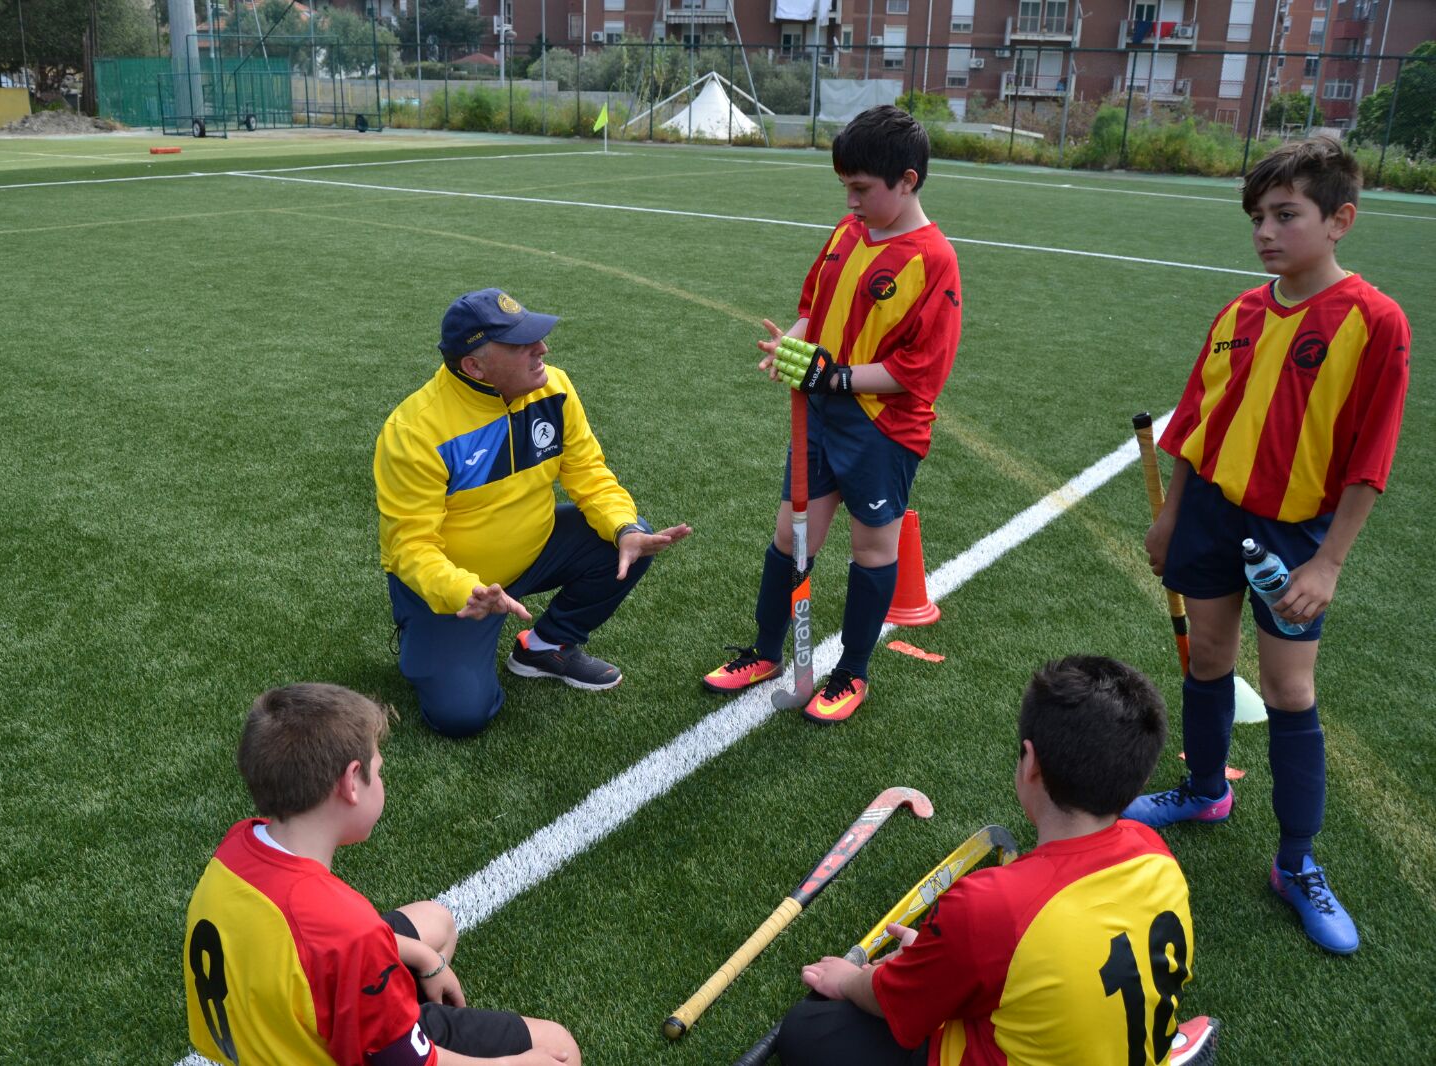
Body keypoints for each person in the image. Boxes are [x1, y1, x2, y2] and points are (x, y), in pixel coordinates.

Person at [1125, 137, 1409, 956]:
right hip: (1209, 513)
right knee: (1206, 658)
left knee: (1288, 690)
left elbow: (1368, 460)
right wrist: (1172, 515)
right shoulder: (1238, 313)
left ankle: (1295, 863)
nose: (1265, 232)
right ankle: (1205, 790)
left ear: (1338, 219)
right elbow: (1196, 425)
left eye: (1285, 215)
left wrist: (1327, 562)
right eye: (1257, 216)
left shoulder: (1373, 321)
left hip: (1292, 532)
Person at [773, 656, 1220, 1066]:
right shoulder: (1156, 854)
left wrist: (851, 979)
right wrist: (948, 959)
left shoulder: (992, 905)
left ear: (1031, 764)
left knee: (806, 1029)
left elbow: (895, 1004)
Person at [701, 105, 962, 723]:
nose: (850, 201)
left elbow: (917, 374)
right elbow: (811, 311)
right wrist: (790, 348)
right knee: (791, 535)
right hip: (820, 417)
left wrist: (835, 376)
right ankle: (766, 650)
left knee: (873, 551)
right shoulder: (848, 235)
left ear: (907, 181)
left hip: (882, 430)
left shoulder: (934, 260)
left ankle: (851, 672)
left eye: (861, 189)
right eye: (845, 187)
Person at [184, 683, 580, 1066]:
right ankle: (396, 1016)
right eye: (378, 768)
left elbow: (316, 947)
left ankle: (393, 1004)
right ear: (351, 782)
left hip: (270, 1031)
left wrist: (424, 955)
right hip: (331, 1050)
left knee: (436, 921)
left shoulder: (239, 843)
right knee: (559, 1049)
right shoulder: (348, 930)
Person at [374, 288, 690, 738]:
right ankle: (426, 635)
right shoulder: (414, 431)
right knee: (461, 716)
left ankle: (545, 646)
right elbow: (410, 547)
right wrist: (467, 590)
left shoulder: (554, 389)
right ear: (474, 367)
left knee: (631, 540)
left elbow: (590, 475)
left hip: (537, 550)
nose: (542, 349)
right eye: (522, 345)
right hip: (462, 587)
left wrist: (622, 526)